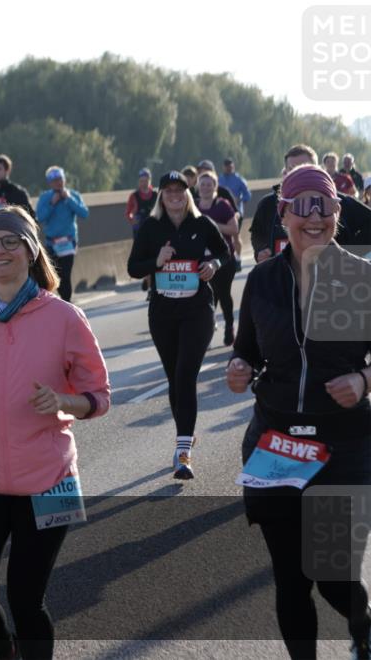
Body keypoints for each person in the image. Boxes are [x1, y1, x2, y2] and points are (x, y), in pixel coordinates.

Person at [0, 206, 110, 660]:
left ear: (31, 250)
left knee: (25, 600)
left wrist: (65, 402)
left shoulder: (64, 317)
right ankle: (5, 652)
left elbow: (100, 394)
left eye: (10, 241)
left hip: (49, 481)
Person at [226, 163, 371, 660]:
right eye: (303, 207)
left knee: (331, 574)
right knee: (290, 579)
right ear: (284, 213)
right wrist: (240, 366)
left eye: (325, 207)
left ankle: (364, 628)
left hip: (343, 445)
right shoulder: (262, 281)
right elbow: (245, 349)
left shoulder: (360, 277)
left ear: (337, 212)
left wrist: (364, 379)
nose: (315, 219)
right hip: (277, 444)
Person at [127, 171, 230, 479]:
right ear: (161, 195)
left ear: (188, 193)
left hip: (197, 310)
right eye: (168, 190)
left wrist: (214, 264)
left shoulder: (201, 224)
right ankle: (184, 434)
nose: (174, 195)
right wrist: (156, 262)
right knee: (175, 380)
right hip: (163, 313)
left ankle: (183, 451)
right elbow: (133, 268)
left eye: (180, 190)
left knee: (186, 375)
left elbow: (225, 252)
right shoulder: (151, 228)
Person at [251, 144, 371, 261]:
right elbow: (257, 231)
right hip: (281, 277)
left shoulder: (338, 201)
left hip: (330, 277)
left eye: (305, 167)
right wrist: (261, 250)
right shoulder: (268, 203)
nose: (299, 174)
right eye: (292, 169)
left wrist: (349, 253)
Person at [196, 170, 239, 346]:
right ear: (198, 187)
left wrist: (212, 225)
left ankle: (229, 325)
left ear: (215, 186)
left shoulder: (222, 205)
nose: (205, 188)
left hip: (223, 259)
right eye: (202, 184)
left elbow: (234, 229)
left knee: (222, 293)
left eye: (209, 184)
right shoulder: (193, 206)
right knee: (205, 297)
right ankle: (206, 329)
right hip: (200, 259)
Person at [36, 165, 89, 303]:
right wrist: (52, 203)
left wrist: (69, 199)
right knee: (55, 274)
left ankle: (67, 301)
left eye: (60, 179)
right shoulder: (45, 197)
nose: (58, 182)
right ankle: (64, 298)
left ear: (64, 179)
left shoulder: (73, 195)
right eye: (54, 180)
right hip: (52, 243)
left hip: (68, 242)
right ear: (49, 183)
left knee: (66, 274)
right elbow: (39, 217)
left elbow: (84, 213)